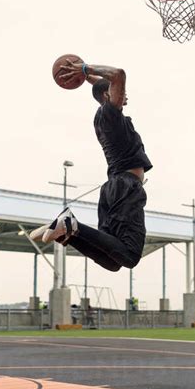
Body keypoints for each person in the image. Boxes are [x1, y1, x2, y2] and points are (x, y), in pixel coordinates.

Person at [31, 60, 152, 271]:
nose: (124, 94)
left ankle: (67, 233)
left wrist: (85, 77)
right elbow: (118, 74)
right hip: (126, 187)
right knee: (131, 256)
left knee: (113, 262)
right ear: (107, 96)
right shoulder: (110, 115)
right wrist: (85, 69)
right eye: (118, 93)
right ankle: (70, 224)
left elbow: (105, 84)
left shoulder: (104, 117)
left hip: (113, 188)